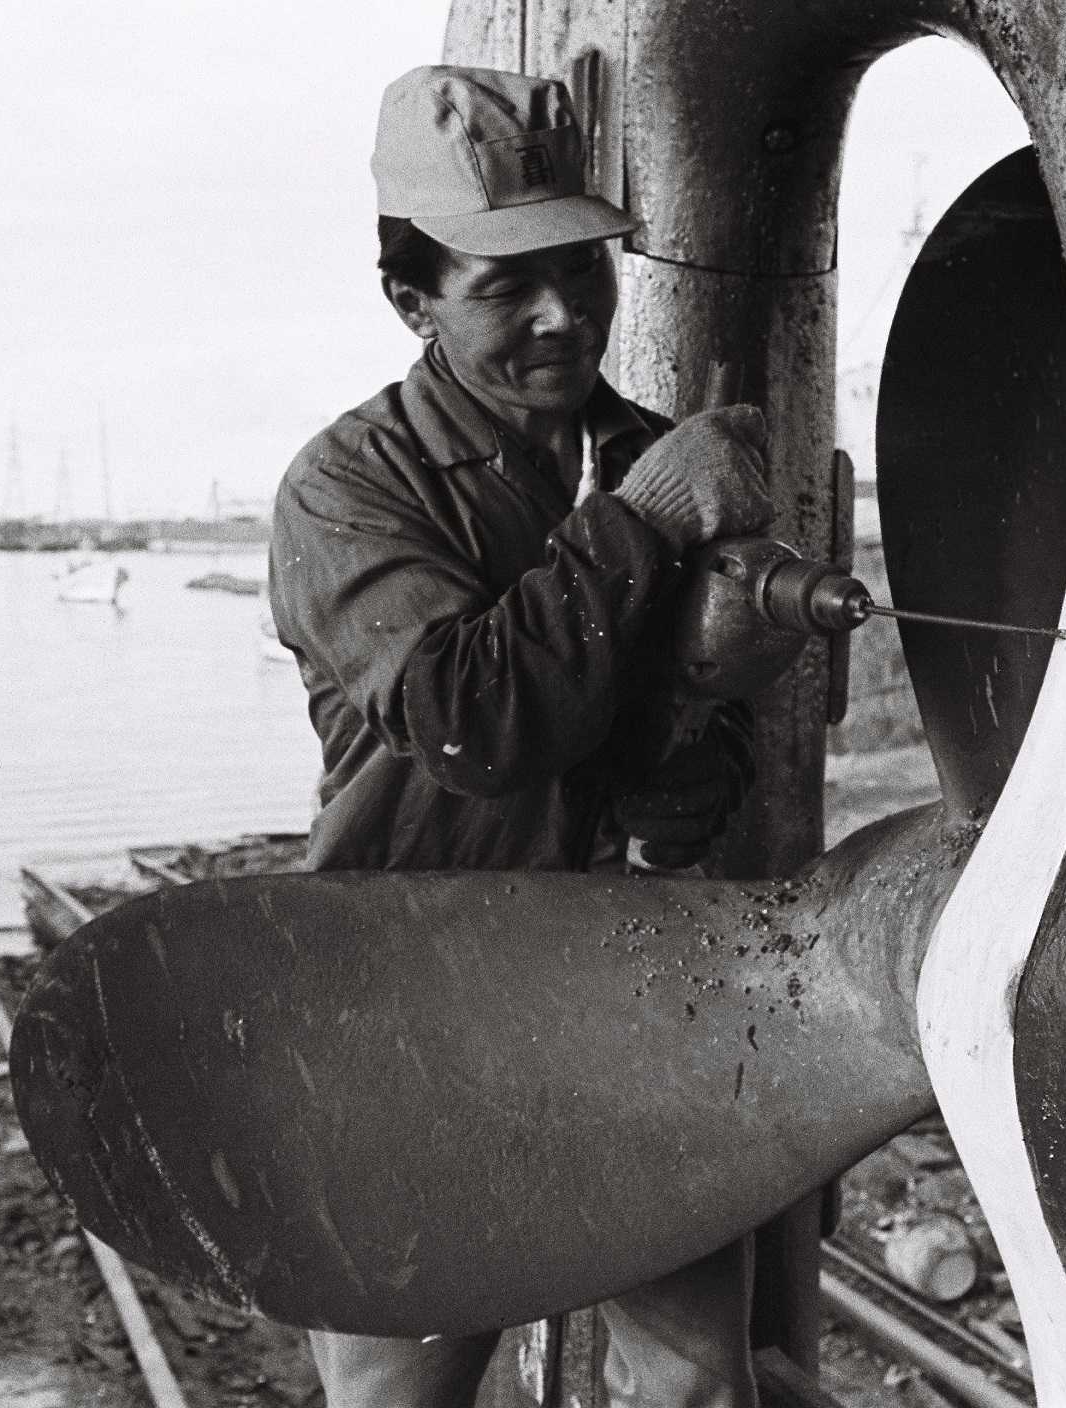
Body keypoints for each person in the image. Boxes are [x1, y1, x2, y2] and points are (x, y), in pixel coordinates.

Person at [266, 64, 777, 1408]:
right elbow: (472, 722)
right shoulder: (347, 488)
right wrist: (645, 523)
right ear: (411, 300)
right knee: (399, 1398)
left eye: (582, 268)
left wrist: (699, 767)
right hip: (410, 1012)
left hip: (628, 996)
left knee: (697, 1387)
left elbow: (722, 716)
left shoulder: (650, 453)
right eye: (506, 287)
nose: (565, 314)